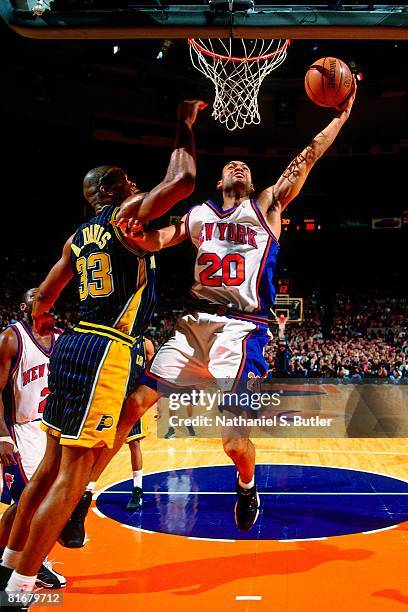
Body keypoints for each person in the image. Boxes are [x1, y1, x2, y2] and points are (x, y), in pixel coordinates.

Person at [115, 82, 357, 532]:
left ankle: (246, 486)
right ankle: (79, 499)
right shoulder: (197, 215)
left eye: (245, 165)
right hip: (194, 326)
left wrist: (340, 118)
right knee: (133, 408)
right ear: (219, 181)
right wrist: (131, 236)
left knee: (232, 440)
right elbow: (155, 240)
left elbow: (306, 157)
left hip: (243, 328)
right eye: (232, 164)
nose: (239, 165)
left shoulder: (267, 204)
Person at [0, 99, 205, 604]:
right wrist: (183, 123)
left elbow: (44, 299)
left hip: (70, 344)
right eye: (128, 180)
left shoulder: (78, 236)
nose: (136, 185)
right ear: (113, 191)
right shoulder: (125, 216)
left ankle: (6, 564)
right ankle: (20, 589)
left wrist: (45, 318)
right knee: (71, 479)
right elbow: (182, 181)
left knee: (48, 469)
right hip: (106, 348)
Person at [0, 289, 66, 589]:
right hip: (21, 429)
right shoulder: (11, 339)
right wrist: (2, 436)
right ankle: (28, 563)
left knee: (36, 503)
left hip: (52, 430)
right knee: (31, 501)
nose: (46, 297)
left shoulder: (64, 339)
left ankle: (9, 558)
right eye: (38, 296)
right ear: (27, 306)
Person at [126, 336, 155, 511]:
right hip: (111, 398)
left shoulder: (145, 344)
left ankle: (138, 489)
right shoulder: (115, 339)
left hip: (131, 399)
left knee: (134, 443)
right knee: (98, 447)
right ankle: (86, 490)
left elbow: (153, 375)